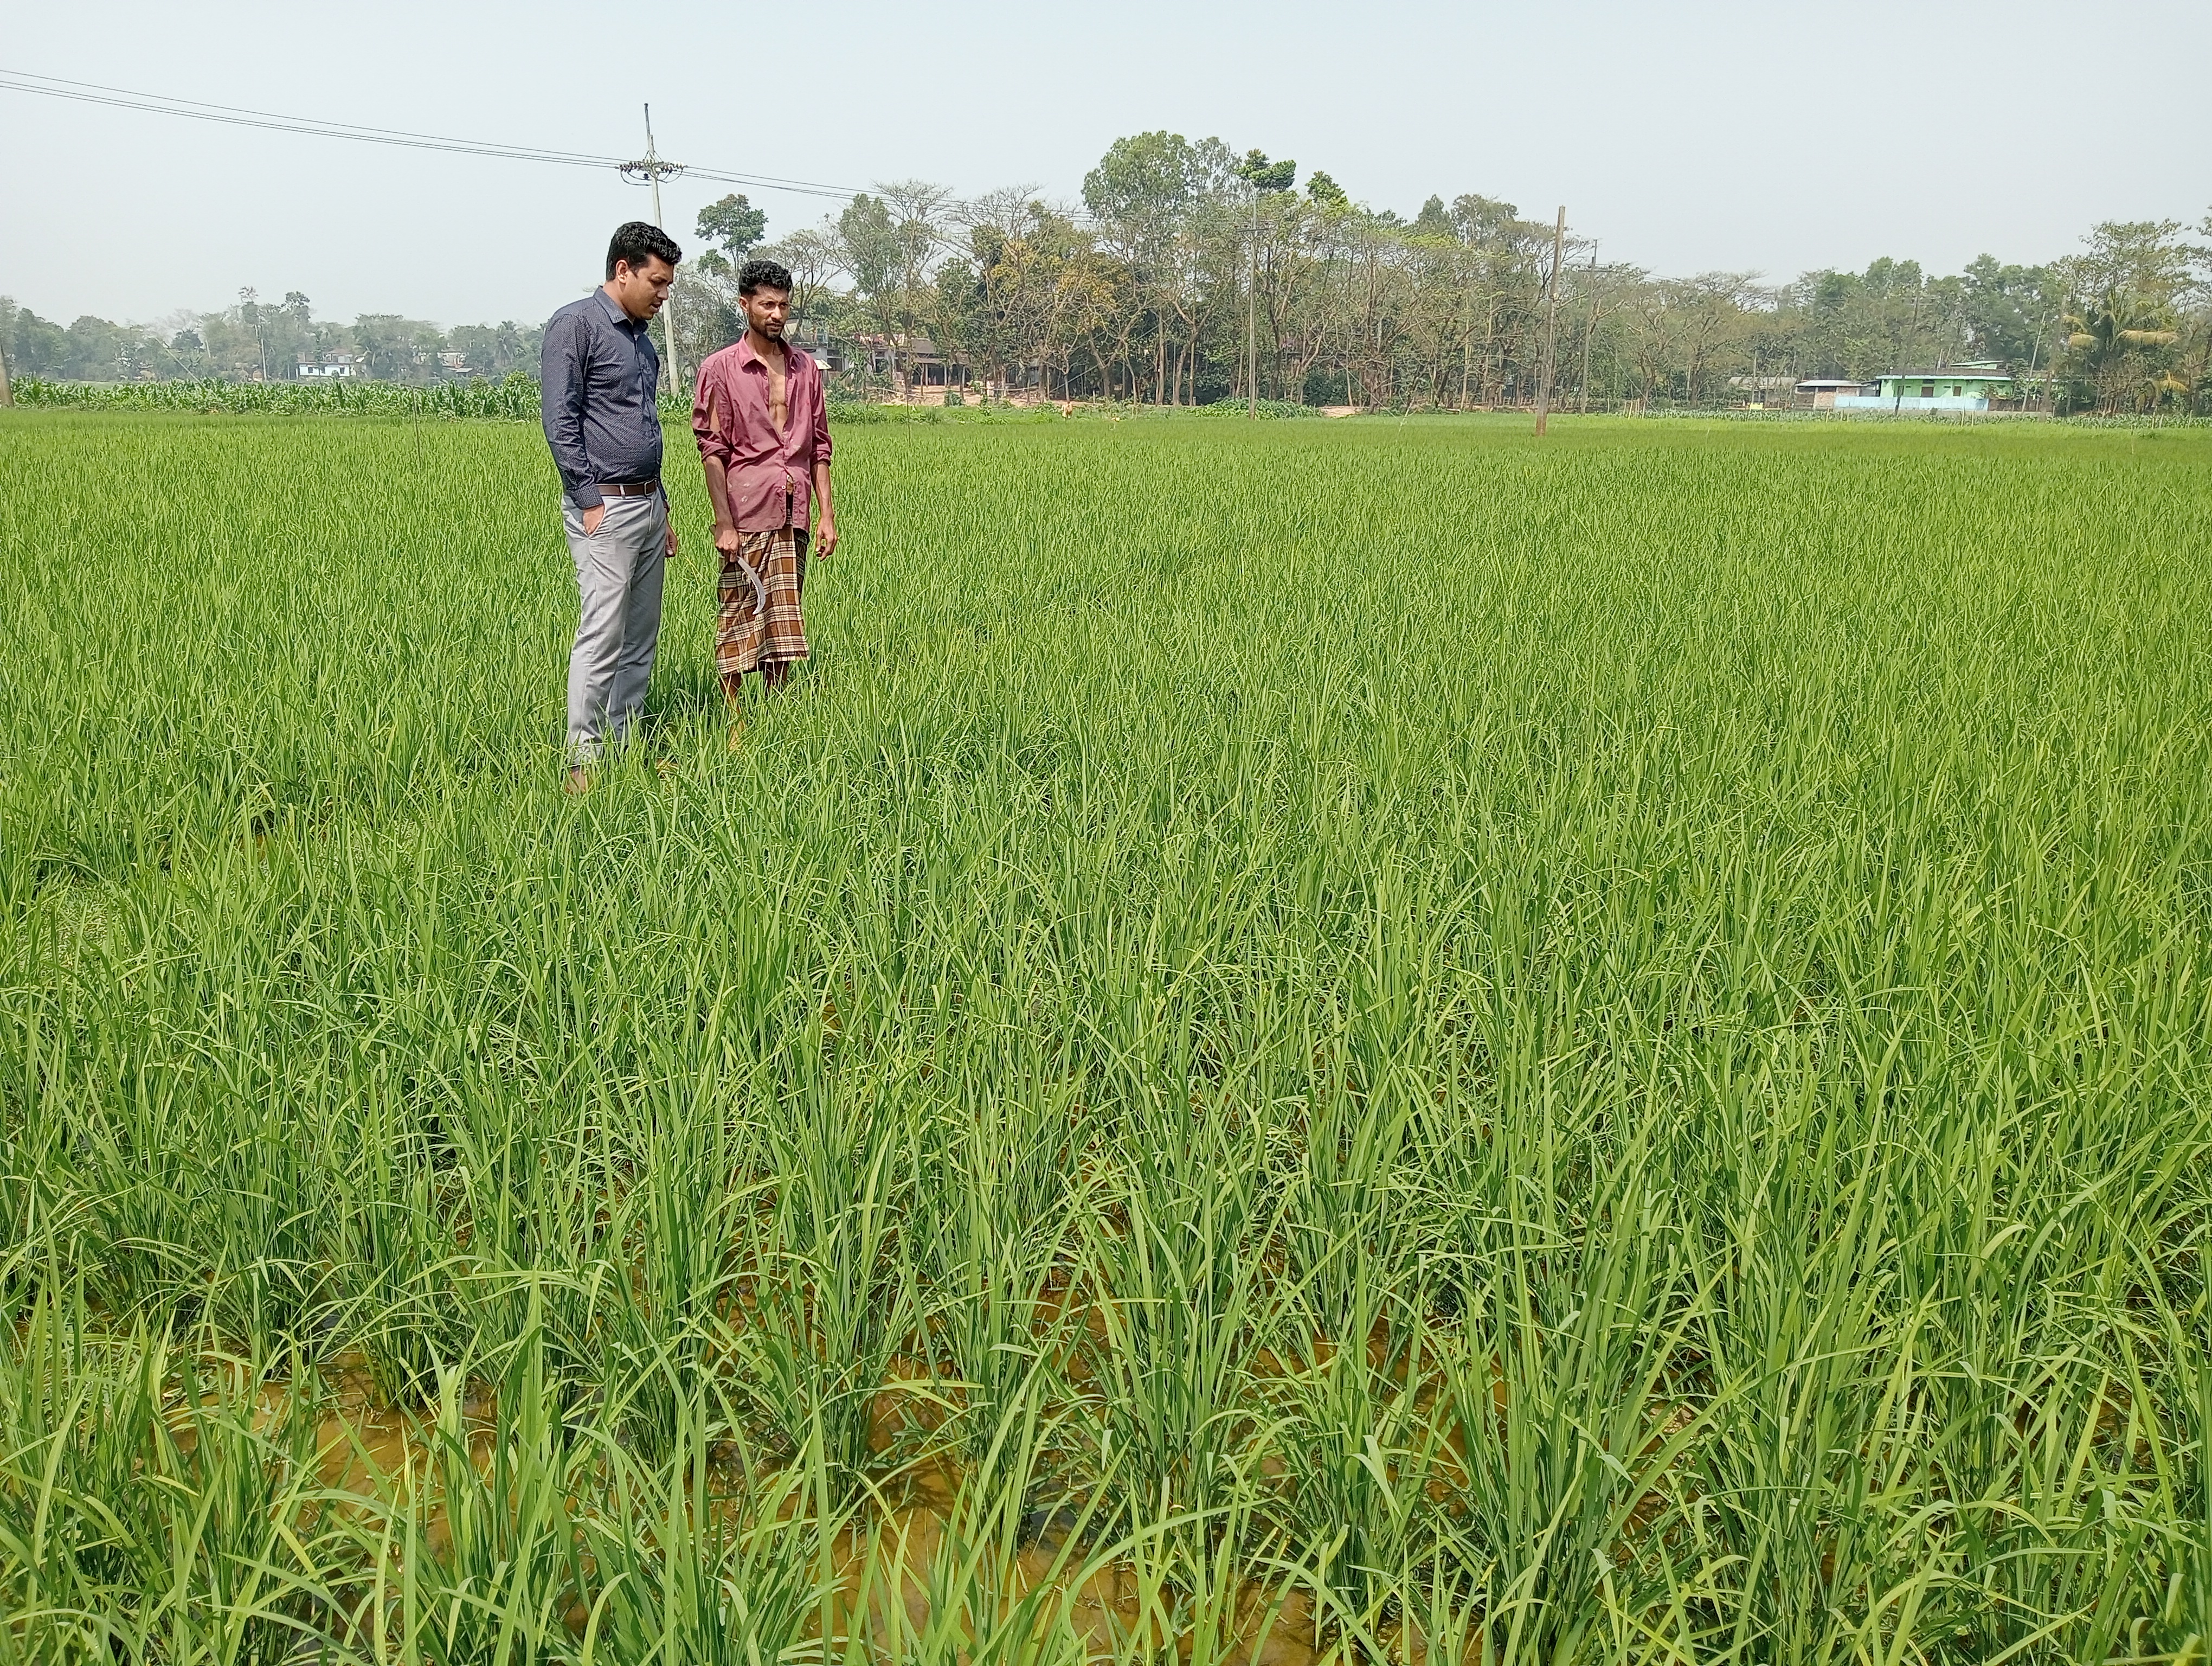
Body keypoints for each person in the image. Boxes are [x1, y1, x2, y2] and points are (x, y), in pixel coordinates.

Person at [541, 221, 684, 787]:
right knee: (603, 634)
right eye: (657, 282)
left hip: (647, 503)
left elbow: (643, 425)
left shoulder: (640, 338)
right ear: (623, 270)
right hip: (607, 506)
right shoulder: (576, 325)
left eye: (668, 285)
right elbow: (559, 417)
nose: (663, 295)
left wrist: (664, 506)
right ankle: (584, 758)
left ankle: (627, 745)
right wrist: (586, 497)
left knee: (641, 635)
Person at [690, 258, 837, 723]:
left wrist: (827, 515)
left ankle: (775, 718)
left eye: (784, 306)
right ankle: (735, 724)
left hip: (794, 509)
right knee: (737, 612)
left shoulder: (806, 369)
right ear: (745, 304)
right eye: (768, 304)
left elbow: (820, 447)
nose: (777, 314)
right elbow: (712, 451)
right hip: (746, 509)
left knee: (783, 618)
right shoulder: (719, 369)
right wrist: (724, 522)